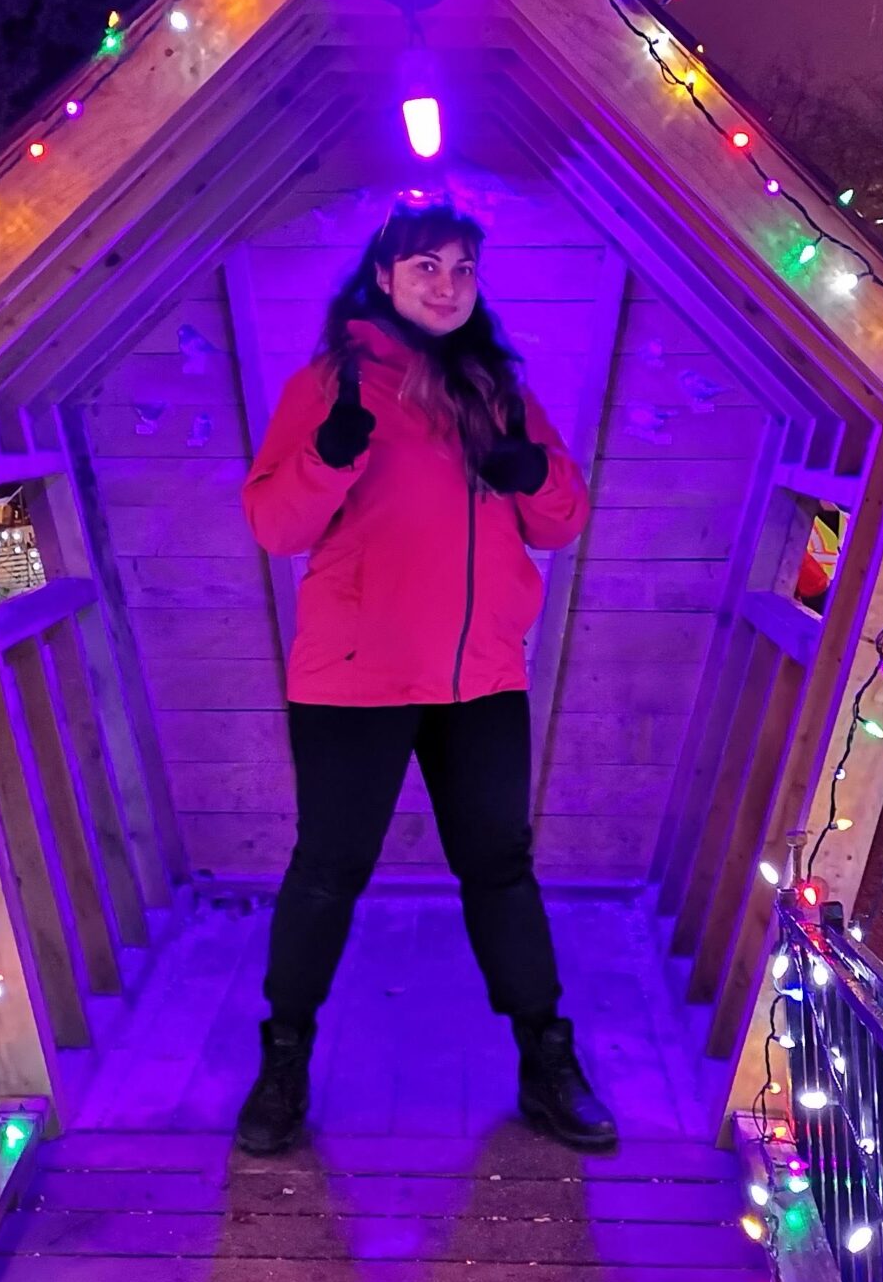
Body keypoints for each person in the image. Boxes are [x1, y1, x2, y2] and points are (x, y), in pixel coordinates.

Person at [234, 200, 617, 1155]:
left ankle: (545, 1060)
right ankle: (283, 1063)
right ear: (385, 277)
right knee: (328, 873)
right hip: (354, 680)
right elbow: (274, 527)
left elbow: (563, 521)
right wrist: (328, 460)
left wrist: (529, 472)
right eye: (426, 269)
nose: (446, 286)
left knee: (500, 870)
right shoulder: (331, 384)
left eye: (462, 270)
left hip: (481, 680)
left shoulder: (499, 390)